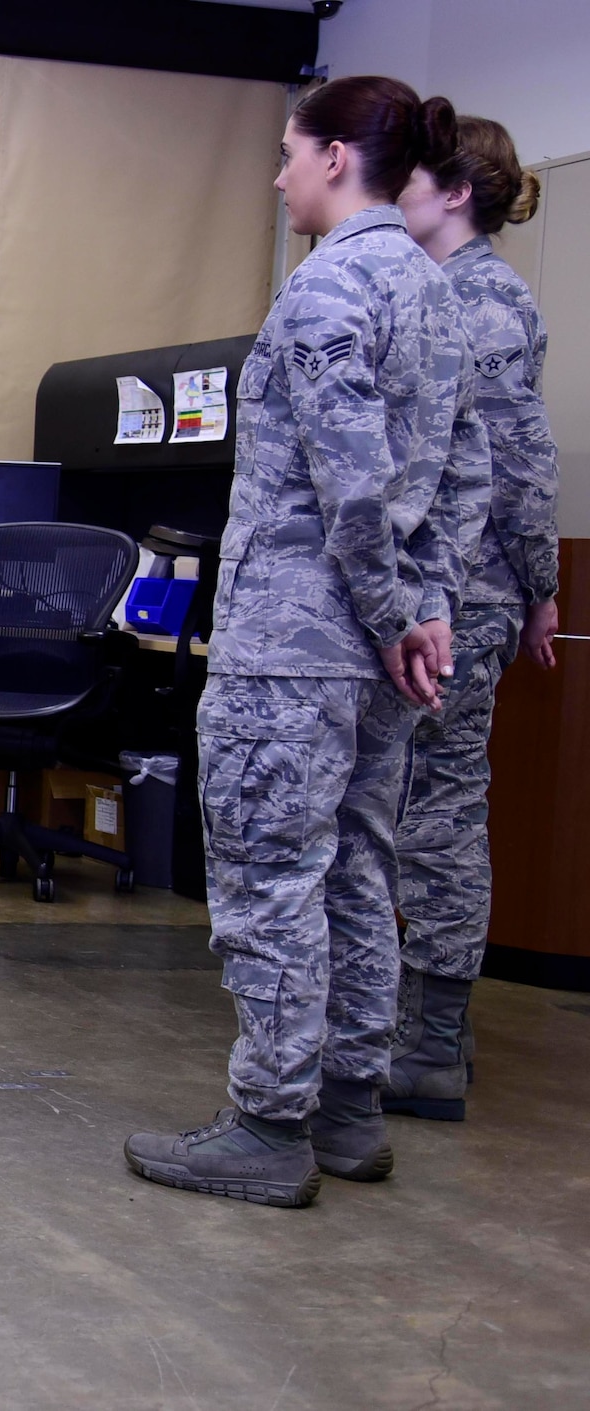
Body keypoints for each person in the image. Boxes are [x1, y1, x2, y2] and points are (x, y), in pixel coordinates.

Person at [124, 76, 488, 1207]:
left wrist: (386, 613)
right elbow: (458, 479)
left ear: (335, 158)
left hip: (295, 646)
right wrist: (419, 618)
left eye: (286, 153)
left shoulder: (325, 288)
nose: (277, 176)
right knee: (354, 874)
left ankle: (266, 1124)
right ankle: (343, 1111)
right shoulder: (435, 293)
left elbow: (350, 485)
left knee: (272, 881)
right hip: (379, 658)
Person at [390, 116, 559, 1122]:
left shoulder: (485, 303)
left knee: (442, 816)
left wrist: (537, 587)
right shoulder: (430, 294)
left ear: (453, 192)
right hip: (428, 592)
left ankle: (433, 1041)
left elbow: (518, 468)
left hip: (468, 595)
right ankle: (402, 1027)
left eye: (407, 175)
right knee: (413, 809)